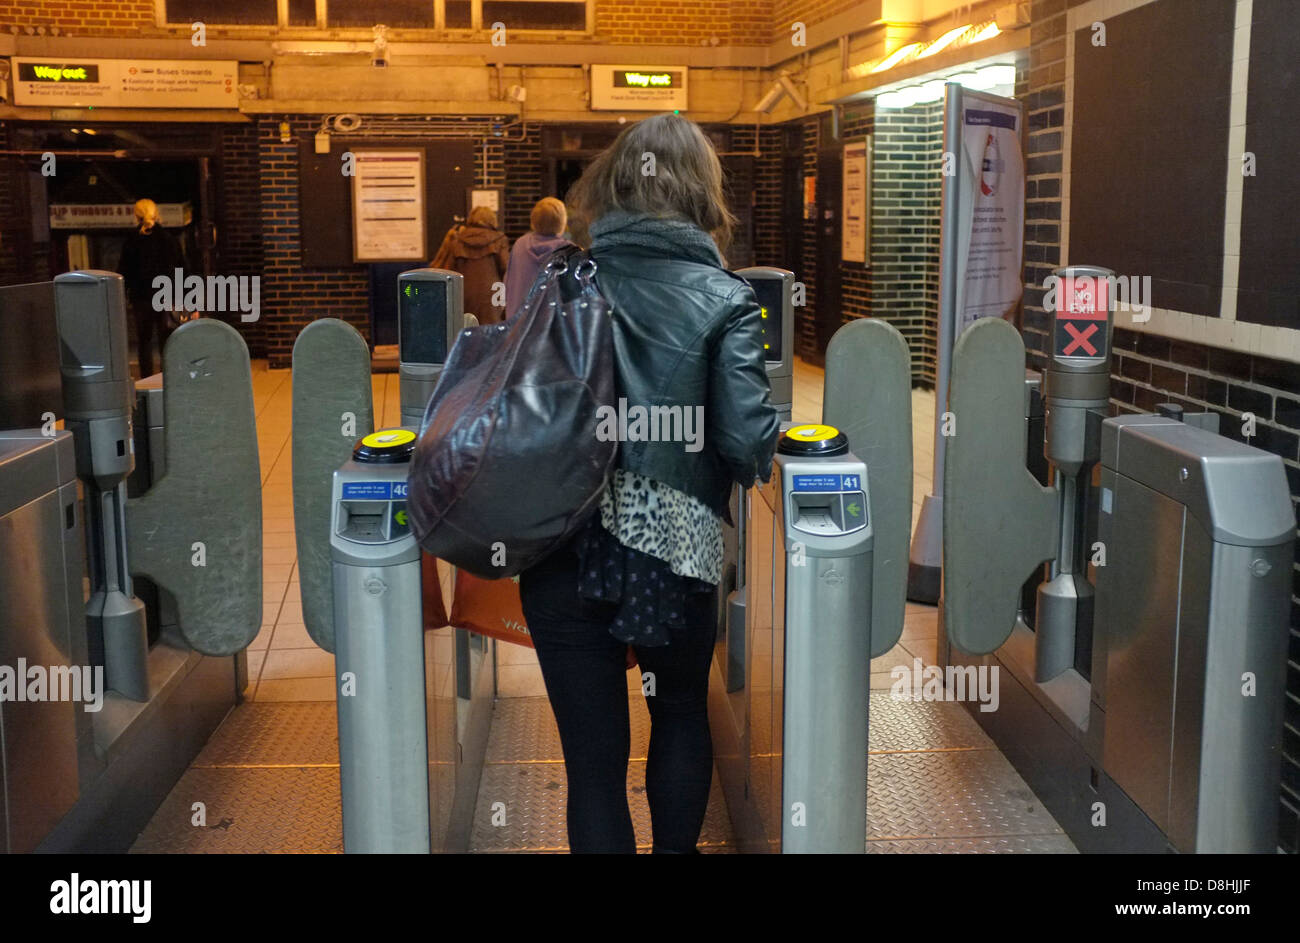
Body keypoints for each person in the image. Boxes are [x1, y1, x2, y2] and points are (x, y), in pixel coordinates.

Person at [518, 113, 780, 853]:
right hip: (675, 552)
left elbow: (523, 408)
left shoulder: (562, 280)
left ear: (614, 186)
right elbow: (744, 440)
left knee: (593, 768)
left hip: (562, 542)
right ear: (702, 192)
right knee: (680, 716)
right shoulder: (725, 297)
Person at [116, 198, 186, 378]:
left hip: (141, 297)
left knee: (144, 340)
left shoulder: (132, 241)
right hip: (165, 296)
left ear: (136, 216)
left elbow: (124, 271)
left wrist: (125, 293)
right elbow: (182, 269)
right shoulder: (169, 240)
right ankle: (167, 376)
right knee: (166, 340)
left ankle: (147, 378)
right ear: (157, 214)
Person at [429, 205, 510, 323]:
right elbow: (505, 267)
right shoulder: (499, 239)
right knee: (491, 330)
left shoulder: (457, 239)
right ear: (492, 220)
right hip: (493, 293)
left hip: (463, 293)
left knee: (466, 327)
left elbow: (449, 270)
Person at [503, 197, 575, 317]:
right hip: (552, 325)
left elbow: (508, 283)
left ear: (533, 220)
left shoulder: (520, 245)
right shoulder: (569, 251)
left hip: (518, 323)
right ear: (562, 221)